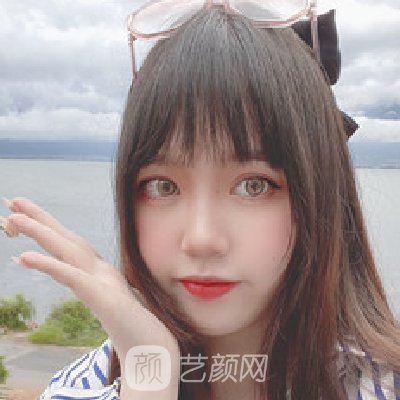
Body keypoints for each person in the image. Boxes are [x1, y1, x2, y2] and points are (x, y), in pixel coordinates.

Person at [1, 2, 399, 400]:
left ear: (319, 194)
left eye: (254, 186)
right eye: (162, 187)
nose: (201, 239)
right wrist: (148, 382)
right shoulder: (79, 388)